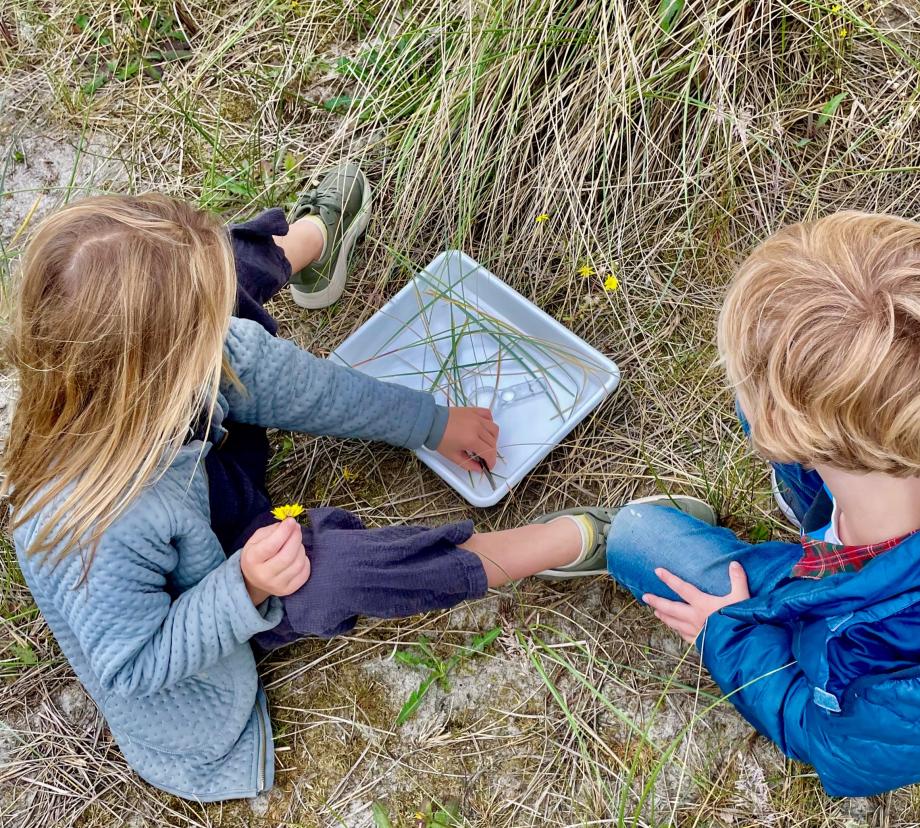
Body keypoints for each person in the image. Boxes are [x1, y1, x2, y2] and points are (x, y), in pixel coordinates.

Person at [4, 164, 612, 802]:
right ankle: (551, 547)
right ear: (159, 369)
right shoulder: (87, 531)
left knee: (225, 278)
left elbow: (297, 383)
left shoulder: (132, 367)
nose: (226, 340)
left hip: (189, 468)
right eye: (208, 337)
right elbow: (135, 666)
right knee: (338, 572)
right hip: (209, 586)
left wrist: (429, 423)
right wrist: (242, 586)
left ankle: (309, 242)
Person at [555, 212, 920, 796]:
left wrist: (728, 636)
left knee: (635, 534)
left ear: (785, 426)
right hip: (864, 524)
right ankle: (817, 509)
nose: (744, 406)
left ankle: (808, 508)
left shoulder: (896, 679)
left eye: (753, 399)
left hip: (852, 611)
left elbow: (826, 742)